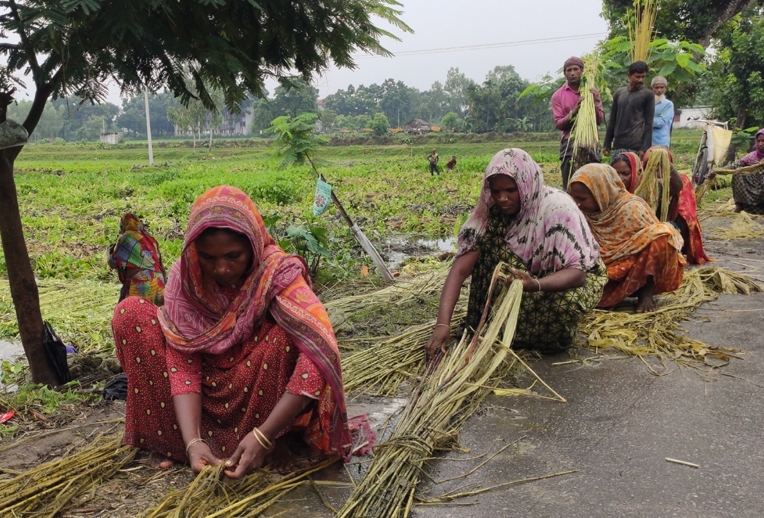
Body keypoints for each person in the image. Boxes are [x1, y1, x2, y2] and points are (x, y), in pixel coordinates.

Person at [111, 185, 366, 478]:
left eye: (233, 256)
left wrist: (264, 434)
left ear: (253, 246)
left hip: (252, 392)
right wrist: (192, 439)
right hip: (198, 395)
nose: (221, 269)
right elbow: (183, 361)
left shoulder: (277, 274)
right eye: (209, 258)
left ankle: (268, 441)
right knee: (130, 314)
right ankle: (182, 444)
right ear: (195, 251)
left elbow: (319, 354)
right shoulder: (187, 278)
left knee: (292, 335)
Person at [425, 148, 605, 358]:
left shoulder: (558, 210)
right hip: (520, 283)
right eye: (495, 191)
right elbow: (459, 270)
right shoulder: (491, 214)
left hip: (564, 281)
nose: (502, 198)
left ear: (526, 184)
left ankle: (541, 335)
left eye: (511, 190)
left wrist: (535, 285)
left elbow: (578, 274)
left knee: (565, 305)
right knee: (487, 247)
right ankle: (497, 326)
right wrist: (442, 324)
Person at [569, 163, 685, 314]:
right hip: (600, 270)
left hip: (634, 266)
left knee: (663, 237)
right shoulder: (578, 211)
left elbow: (651, 239)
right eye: (574, 197)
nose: (577, 203)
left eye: (582, 199)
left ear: (601, 193)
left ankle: (646, 293)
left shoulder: (632, 208)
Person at [637, 146, 711, 265]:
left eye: (662, 167)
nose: (659, 171)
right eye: (653, 167)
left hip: (670, 226)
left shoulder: (679, 180)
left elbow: (687, 213)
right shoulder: (641, 183)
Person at [551, 56, 605, 187]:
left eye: (576, 69)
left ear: (582, 71)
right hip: (569, 144)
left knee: (594, 185)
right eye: (569, 70)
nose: (572, 73)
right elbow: (559, 124)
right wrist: (574, 112)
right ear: (564, 73)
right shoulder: (558, 96)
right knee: (570, 185)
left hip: (591, 142)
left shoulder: (591, 92)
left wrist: (596, 99)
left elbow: (599, 120)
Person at [108, 213, 166, 303]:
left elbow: (113, 262)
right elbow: (160, 263)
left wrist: (109, 252)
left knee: (136, 313)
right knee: (157, 313)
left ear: (124, 225)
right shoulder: (150, 238)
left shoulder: (126, 237)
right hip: (158, 280)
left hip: (142, 282)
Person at [603, 61, 655, 161]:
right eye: (637, 77)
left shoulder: (648, 95)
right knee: (617, 175)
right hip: (618, 145)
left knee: (634, 175)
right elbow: (612, 120)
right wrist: (607, 143)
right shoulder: (619, 93)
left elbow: (649, 124)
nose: (641, 80)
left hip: (635, 147)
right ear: (629, 76)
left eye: (643, 77)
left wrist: (644, 149)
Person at [651, 76, 674, 148]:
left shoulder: (668, 104)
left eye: (662, 87)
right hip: (647, 142)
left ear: (665, 88)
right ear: (652, 88)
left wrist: (645, 121)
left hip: (661, 142)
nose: (659, 90)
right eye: (656, 87)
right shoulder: (648, 103)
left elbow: (661, 122)